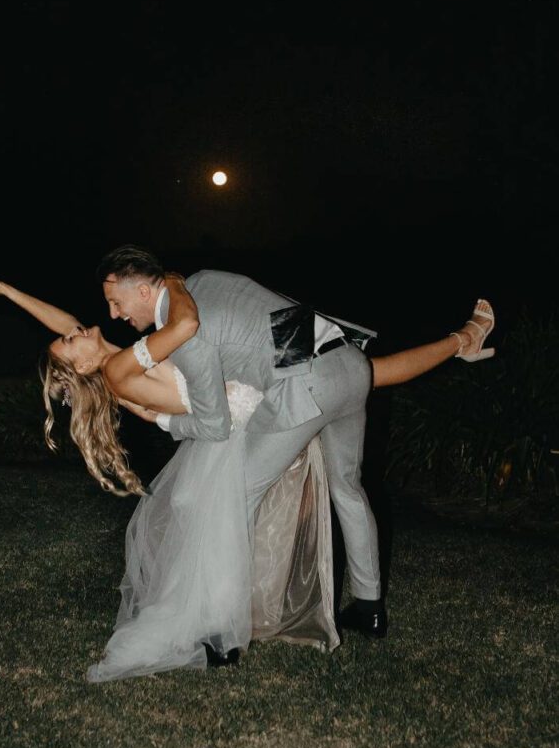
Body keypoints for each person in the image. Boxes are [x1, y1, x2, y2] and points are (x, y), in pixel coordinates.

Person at [0, 268, 495, 679]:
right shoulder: (121, 372)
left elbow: (69, 326)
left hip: (265, 394)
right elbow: (191, 395)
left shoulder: (126, 350)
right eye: (72, 340)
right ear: (83, 366)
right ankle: (233, 629)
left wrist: (6, 292)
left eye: (74, 331)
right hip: (232, 429)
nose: (82, 327)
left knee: (361, 383)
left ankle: (459, 340)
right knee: (342, 429)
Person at [96, 244, 496, 646]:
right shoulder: (205, 279)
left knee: (235, 499)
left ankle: (221, 631)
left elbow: (215, 425)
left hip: (309, 385)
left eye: (116, 302)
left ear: (145, 292)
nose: (114, 314)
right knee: (348, 487)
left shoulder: (184, 336)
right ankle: (370, 608)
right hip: (350, 364)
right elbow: (267, 327)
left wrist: (161, 419)